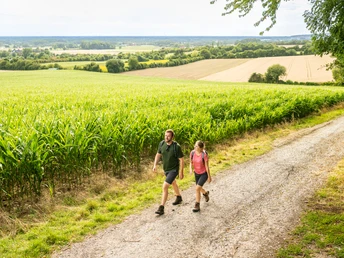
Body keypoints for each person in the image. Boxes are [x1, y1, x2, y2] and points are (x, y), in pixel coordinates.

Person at [153, 129, 184, 215]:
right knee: (173, 182)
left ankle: (161, 207)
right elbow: (158, 154)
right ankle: (178, 197)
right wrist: (155, 165)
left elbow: (181, 160)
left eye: (168, 136)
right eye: (165, 135)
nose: (166, 137)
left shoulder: (176, 147)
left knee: (165, 186)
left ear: (172, 137)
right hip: (166, 169)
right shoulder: (162, 144)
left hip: (174, 170)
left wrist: (181, 172)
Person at [189, 140, 211, 212]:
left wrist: (209, 176)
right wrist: (190, 169)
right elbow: (191, 162)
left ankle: (197, 205)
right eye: (195, 145)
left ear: (200, 147)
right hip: (196, 173)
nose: (194, 146)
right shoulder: (192, 153)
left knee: (197, 188)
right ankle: (205, 193)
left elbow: (207, 166)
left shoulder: (203, 154)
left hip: (203, 174)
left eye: (196, 146)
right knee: (199, 188)